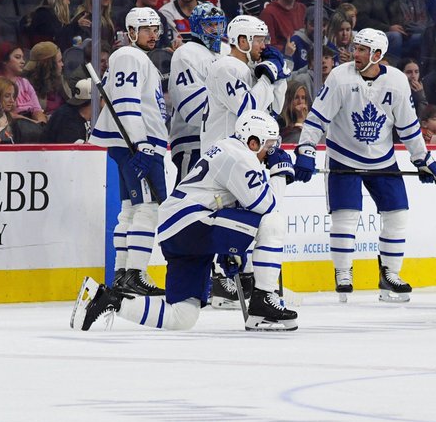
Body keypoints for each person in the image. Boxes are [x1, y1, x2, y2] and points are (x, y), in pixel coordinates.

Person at [71, 111, 296, 332]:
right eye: (269, 146)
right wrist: (280, 172)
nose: (270, 154)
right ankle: (263, 300)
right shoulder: (241, 157)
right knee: (273, 221)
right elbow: (268, 206)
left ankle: (108, 299)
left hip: (179, 228)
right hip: (192, 222)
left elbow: (233, 202)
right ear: (253, 142)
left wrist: (230, 248)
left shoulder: (229, 149)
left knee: (182, 316)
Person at [294, 28, 436, 301]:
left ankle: (389, 274)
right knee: (345, 217)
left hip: (383, 159)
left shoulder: (397, 81)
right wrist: (306, 149)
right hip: (343, 156)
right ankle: (343, 272)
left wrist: (422, 158)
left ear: (377, 54)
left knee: (397, 214)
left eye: (363, 49)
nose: (356, 53)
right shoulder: (339, 77)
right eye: (356, 48)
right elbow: (318, 117)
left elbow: (408, 126)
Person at [201, 13, 294, 325]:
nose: (263, 45)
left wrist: (278, 75)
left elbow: (274, 109)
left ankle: (252, 286)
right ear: (241, 40)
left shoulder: (249, 68)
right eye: (258, 39)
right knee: (251, 217)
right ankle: (222, 280)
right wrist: (267, 77)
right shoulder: (225, 67)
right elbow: (247, 110)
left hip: (244, 157)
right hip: (224, 159)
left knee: (258, 219)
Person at [92, 7, 168, 297]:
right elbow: (126, 102)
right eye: (146, 29)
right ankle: (136, 273)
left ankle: (123, 273)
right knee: (148, 207)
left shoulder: (136, 58)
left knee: (131, 208)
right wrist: (142, 144)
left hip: (133, 144)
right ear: (132, 31)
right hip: (138, 145)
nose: (153, 34)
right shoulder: (129, 56)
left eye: (155, 29)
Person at [167, 3, 224, 177]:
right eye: (209, 25)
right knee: (187, 193)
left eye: (219, 24)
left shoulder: (223, 54)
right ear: (197, 26)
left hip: (218, 142)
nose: (215, 29)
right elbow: (194, 111)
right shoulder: (186, 53)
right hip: (192, 142)